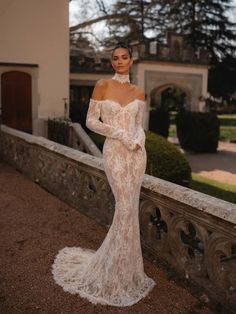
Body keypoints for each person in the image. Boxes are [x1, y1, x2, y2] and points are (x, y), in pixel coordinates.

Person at [52, 43, 156, 307]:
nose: (119, 62)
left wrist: (138, 139)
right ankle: (112, 272)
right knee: (123, 207)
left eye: (124, 58)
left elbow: (139, 125)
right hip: (114, 152)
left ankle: (128, 272)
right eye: (115, 58)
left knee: (130, 209)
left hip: (136, 154)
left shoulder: (139, 92)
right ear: (112, 63)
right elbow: (91, 121)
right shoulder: (102, 85)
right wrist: (122, 135)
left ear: (132, 61)